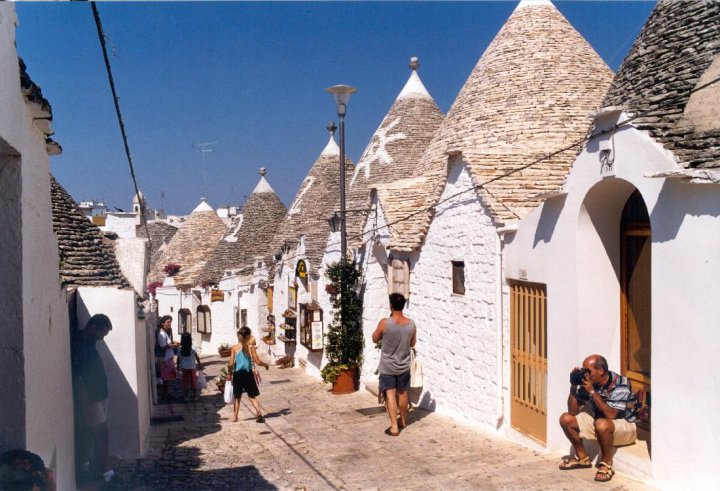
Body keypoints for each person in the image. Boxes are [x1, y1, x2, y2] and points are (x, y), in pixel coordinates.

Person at [558, 354, 638, 483]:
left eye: (587, 371)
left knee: (601, 423)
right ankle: (582, 458)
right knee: (566, 419)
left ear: (601, 371)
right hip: (600, 423)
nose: (585, 374)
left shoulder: (620, 383)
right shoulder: (591, 383)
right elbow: (572, 411)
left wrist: (592, 392)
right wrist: (574, 386)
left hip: (625, 426)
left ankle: (606, 464)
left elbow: (611, 415)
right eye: (583, 370)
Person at [73, 314, 122, 486]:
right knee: (101, 434)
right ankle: (108, 473)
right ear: (93, 327)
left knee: (90, 433)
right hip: (90, 397)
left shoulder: (90, 341)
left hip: (100, 394)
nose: (101, 338)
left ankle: (84, 469)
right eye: (102, 333)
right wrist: (85, 400)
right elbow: (78, 377)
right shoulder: (78, 344)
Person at [372, 293, 417, 437]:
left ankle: (394, 427)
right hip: (403, 364)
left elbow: (375, 338)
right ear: (403, 305)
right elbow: (413, 343)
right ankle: (403, 420)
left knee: (390, 394)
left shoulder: (385, 323)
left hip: (388, 366)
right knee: (403, 392)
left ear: (390, 305)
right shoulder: (411, 324)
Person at [227, 326, 270, 423]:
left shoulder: (234, 348)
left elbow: (230, 364)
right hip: (248, 374)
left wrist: (229, 373)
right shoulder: (251, 348)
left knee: (237, 397)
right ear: (247, 336)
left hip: (237, 374)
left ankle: (235, 417)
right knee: (252, 396)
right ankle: (258, 413)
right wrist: (265, 364)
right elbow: (257, 361)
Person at [155, 315, 179, 401]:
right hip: (165, 359)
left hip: (168, 357)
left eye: (170, 322)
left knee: (167, 378)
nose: (169, 324)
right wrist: (173, 345)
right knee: (166, 378)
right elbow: (163, 346)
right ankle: (165, 394)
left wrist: (172, 343)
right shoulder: (161, 333)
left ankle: (166, 393)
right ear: (162, 323)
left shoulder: (165, 332)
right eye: (168, 322)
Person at [177, 332, 202, 402]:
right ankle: (194, 396)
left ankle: (186, 397)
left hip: (184, 367)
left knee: (185, 382)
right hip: (192, 367)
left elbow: (178, 359)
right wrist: (199, 365)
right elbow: (197, 357)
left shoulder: (180, 349)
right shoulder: (193, 348)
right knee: (193, 381)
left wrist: (178, 366)